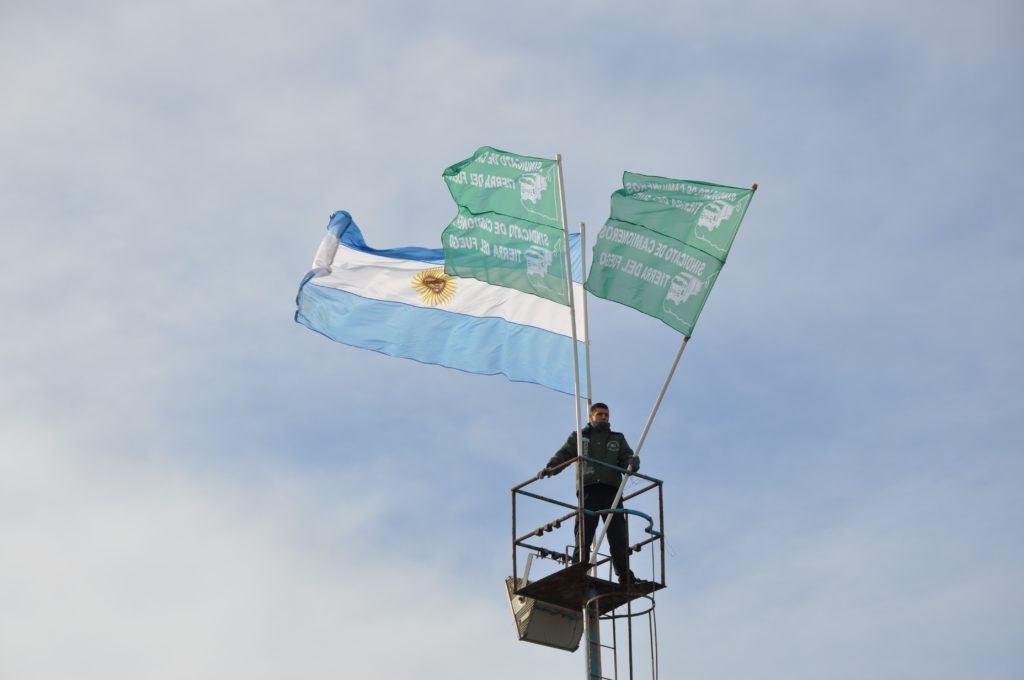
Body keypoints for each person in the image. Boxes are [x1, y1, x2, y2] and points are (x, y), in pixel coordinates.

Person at [538, 402, 646, 585]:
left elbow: (625, 458)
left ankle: (625, 575)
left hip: (612, 490)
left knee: (618, 535)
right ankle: (578, 570)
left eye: (606, 415)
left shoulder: (617, 438)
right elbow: (564, 453)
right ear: (591, 416)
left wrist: (632, 462)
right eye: (600, 414)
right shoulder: (580, 437)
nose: (604, 417)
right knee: (584, 532)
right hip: (589, 488)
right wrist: (551, 467)